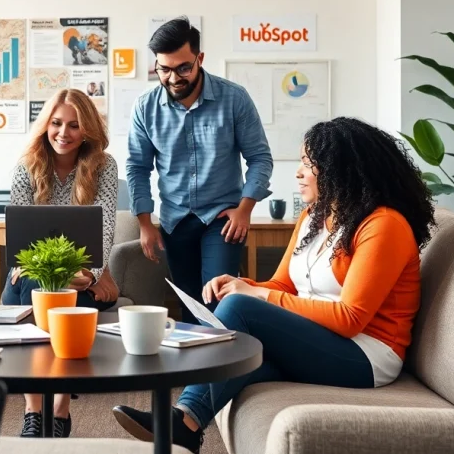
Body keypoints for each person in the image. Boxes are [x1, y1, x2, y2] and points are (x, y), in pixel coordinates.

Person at [112, 117, 436, 453]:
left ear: (343, 169)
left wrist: (254, 295)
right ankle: (186, 423)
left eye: (310, 164)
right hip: (322, 339)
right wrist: (241, 283)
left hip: (367, 354)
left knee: (240, 309)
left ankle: (180, 419)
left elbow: (350, 317)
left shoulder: (384, 225)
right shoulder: (314, 216)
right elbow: (283, 283)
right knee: (250, 358)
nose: (298, 172)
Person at [126, 16, 273, 321]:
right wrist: (144, 224)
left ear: (199, 58)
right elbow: (138, 167)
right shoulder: (145, 107)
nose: (173, 77)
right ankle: (198, 366)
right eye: (163, 69)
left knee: (219, 301)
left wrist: (245, 209)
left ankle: (231, 366)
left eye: (183, 67)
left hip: (222, 219)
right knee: (190, 305)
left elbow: (260, 158)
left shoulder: (234, 99)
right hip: (175, 221)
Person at [2, 88, 120, 439]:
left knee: (67, 296)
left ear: (88, 130)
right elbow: (19, 233)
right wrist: (48, 270)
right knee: (41, 288)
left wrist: (90, 273)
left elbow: (105, 227)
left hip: (81, 273)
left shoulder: (105, 165)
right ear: (45, 125)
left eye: (74, 125)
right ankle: (35, 409)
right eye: (56, 123)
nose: (63, 133)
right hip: (30, 272)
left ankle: (60, 407)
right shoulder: (27, 164)